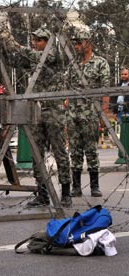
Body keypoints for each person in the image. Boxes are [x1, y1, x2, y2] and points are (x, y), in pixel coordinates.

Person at [0, 27, 72, 207]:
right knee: (37, 153)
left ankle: (66, 193)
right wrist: (2, 46)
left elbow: (34, 56)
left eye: (39, 40)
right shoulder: (33, 58)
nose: (35, 43)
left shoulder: (53, 55)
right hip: (36, 111)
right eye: (34, 40)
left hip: (53, 110)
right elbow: (15, 61)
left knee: (59, 152)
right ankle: (42, 193)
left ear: (47, 42)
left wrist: (14, 43)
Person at [67, 29, 110, 198]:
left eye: (79, 42)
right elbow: (67, 89)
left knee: (91, 150)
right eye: (75, 43)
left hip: (91, 113)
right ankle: (76, 187)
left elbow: (105, 91)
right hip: (73, 113)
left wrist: (103, 114)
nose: (76, 46)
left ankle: (94, 186)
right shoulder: (73, 65)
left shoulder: (100, 63)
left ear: (89, 43)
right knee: (75, 151)